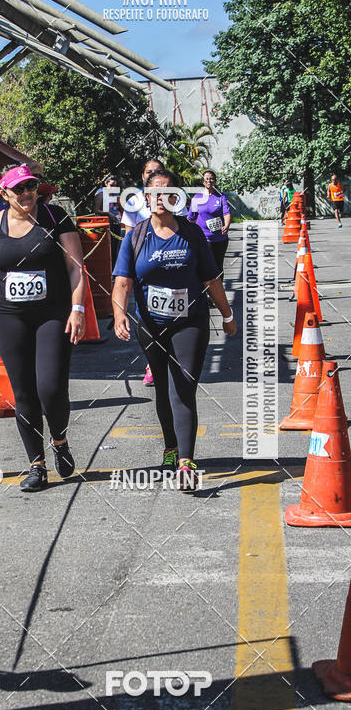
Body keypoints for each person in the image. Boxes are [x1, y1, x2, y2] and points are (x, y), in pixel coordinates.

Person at [112, 168, 237, 489]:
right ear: (145, 197)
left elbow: (211, 279)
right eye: (153, 193)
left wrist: (226, 314)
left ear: (177, 198)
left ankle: (186, 461)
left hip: (189, 324)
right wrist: (119, 314)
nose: (160, 199)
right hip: (150, 326)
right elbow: (123, 281)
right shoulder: (136, 236)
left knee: (183, 386)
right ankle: (170, 446)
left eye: (168, 193)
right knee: (164, 388)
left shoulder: (192, 234)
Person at [0, 164, 86, 492]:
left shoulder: (54, 217)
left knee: (50, 387)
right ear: (4, 194)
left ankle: (59, 440)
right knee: (23, 392)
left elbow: (76, 268)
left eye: (30, 186)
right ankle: (37, 464)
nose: (27, 193)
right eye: (18, 189)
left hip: (53, 313)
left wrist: (78, 309)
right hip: (7, 316)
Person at [120, 158, 166, 387]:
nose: (152, 175)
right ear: (142, 175)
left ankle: (168, 360)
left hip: (169, 264)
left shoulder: (173, 198)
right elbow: (129, 236)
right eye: (149, 172)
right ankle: (152, 364)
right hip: (143, 268)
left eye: (157, 171)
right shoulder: (134, 202)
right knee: (147, 317)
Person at [188, 170, 231, 279]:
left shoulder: (221, 197)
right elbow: (191, 218)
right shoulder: (197, 198)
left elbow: (226, 213)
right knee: (203, 265)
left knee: (218, 265)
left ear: (215, 181)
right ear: (203, 182)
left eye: (211, 178)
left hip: (219, 239)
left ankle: (219, 291)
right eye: (207, 179)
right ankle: (205, 291)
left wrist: (226, 225)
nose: (209, 181)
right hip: (203, 238)